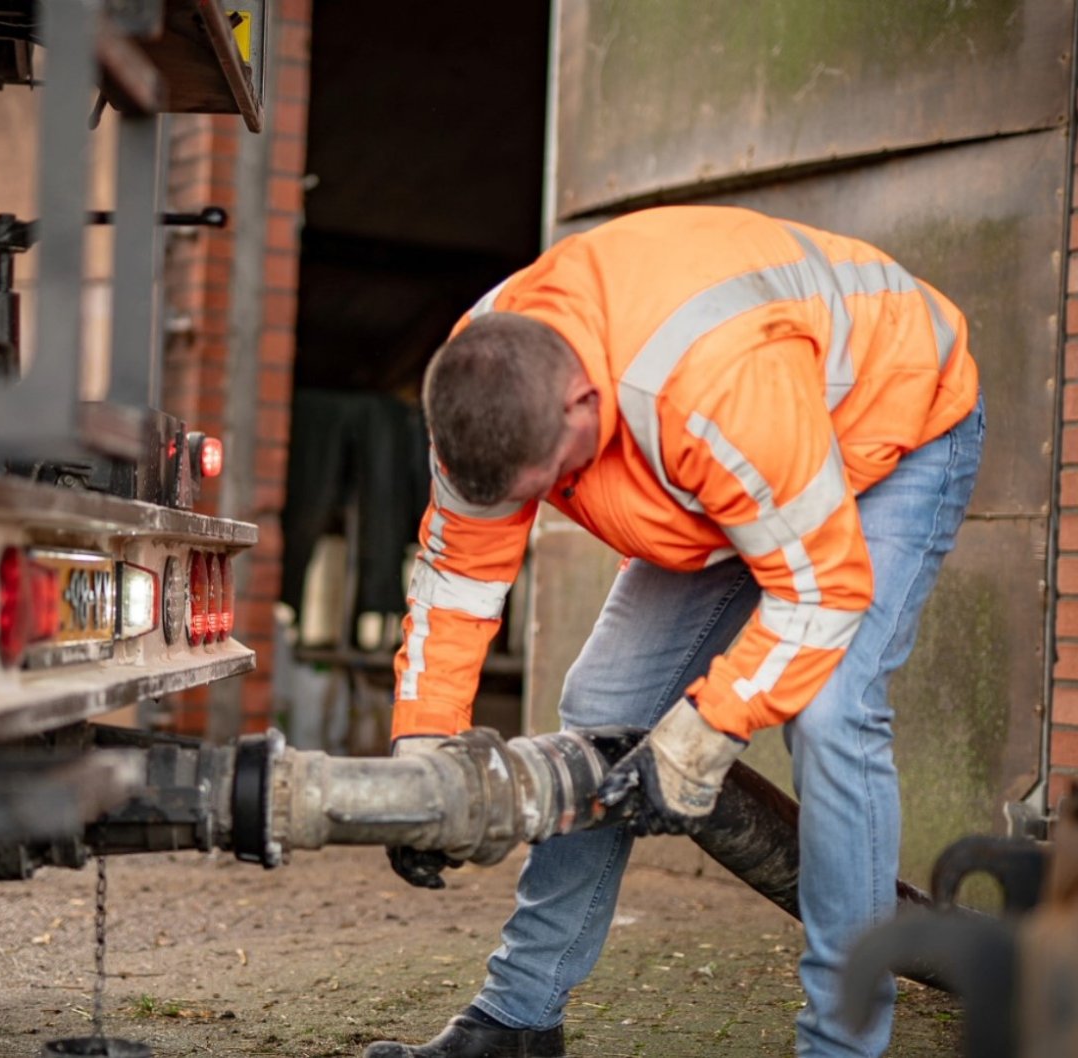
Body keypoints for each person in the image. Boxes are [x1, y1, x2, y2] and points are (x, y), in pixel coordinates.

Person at [364, 205, 983, 1058]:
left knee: (834, 713)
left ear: (583, 400)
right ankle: (516, 1021)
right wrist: (421, 762)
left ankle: (842, 1047)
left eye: (548, 483)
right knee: (605, 703)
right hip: (725, 472)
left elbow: (820, 591)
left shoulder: (709, 389)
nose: (538, 502)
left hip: (888, 428)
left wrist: (702, 736)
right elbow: (456, 585)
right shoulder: (482, 391)